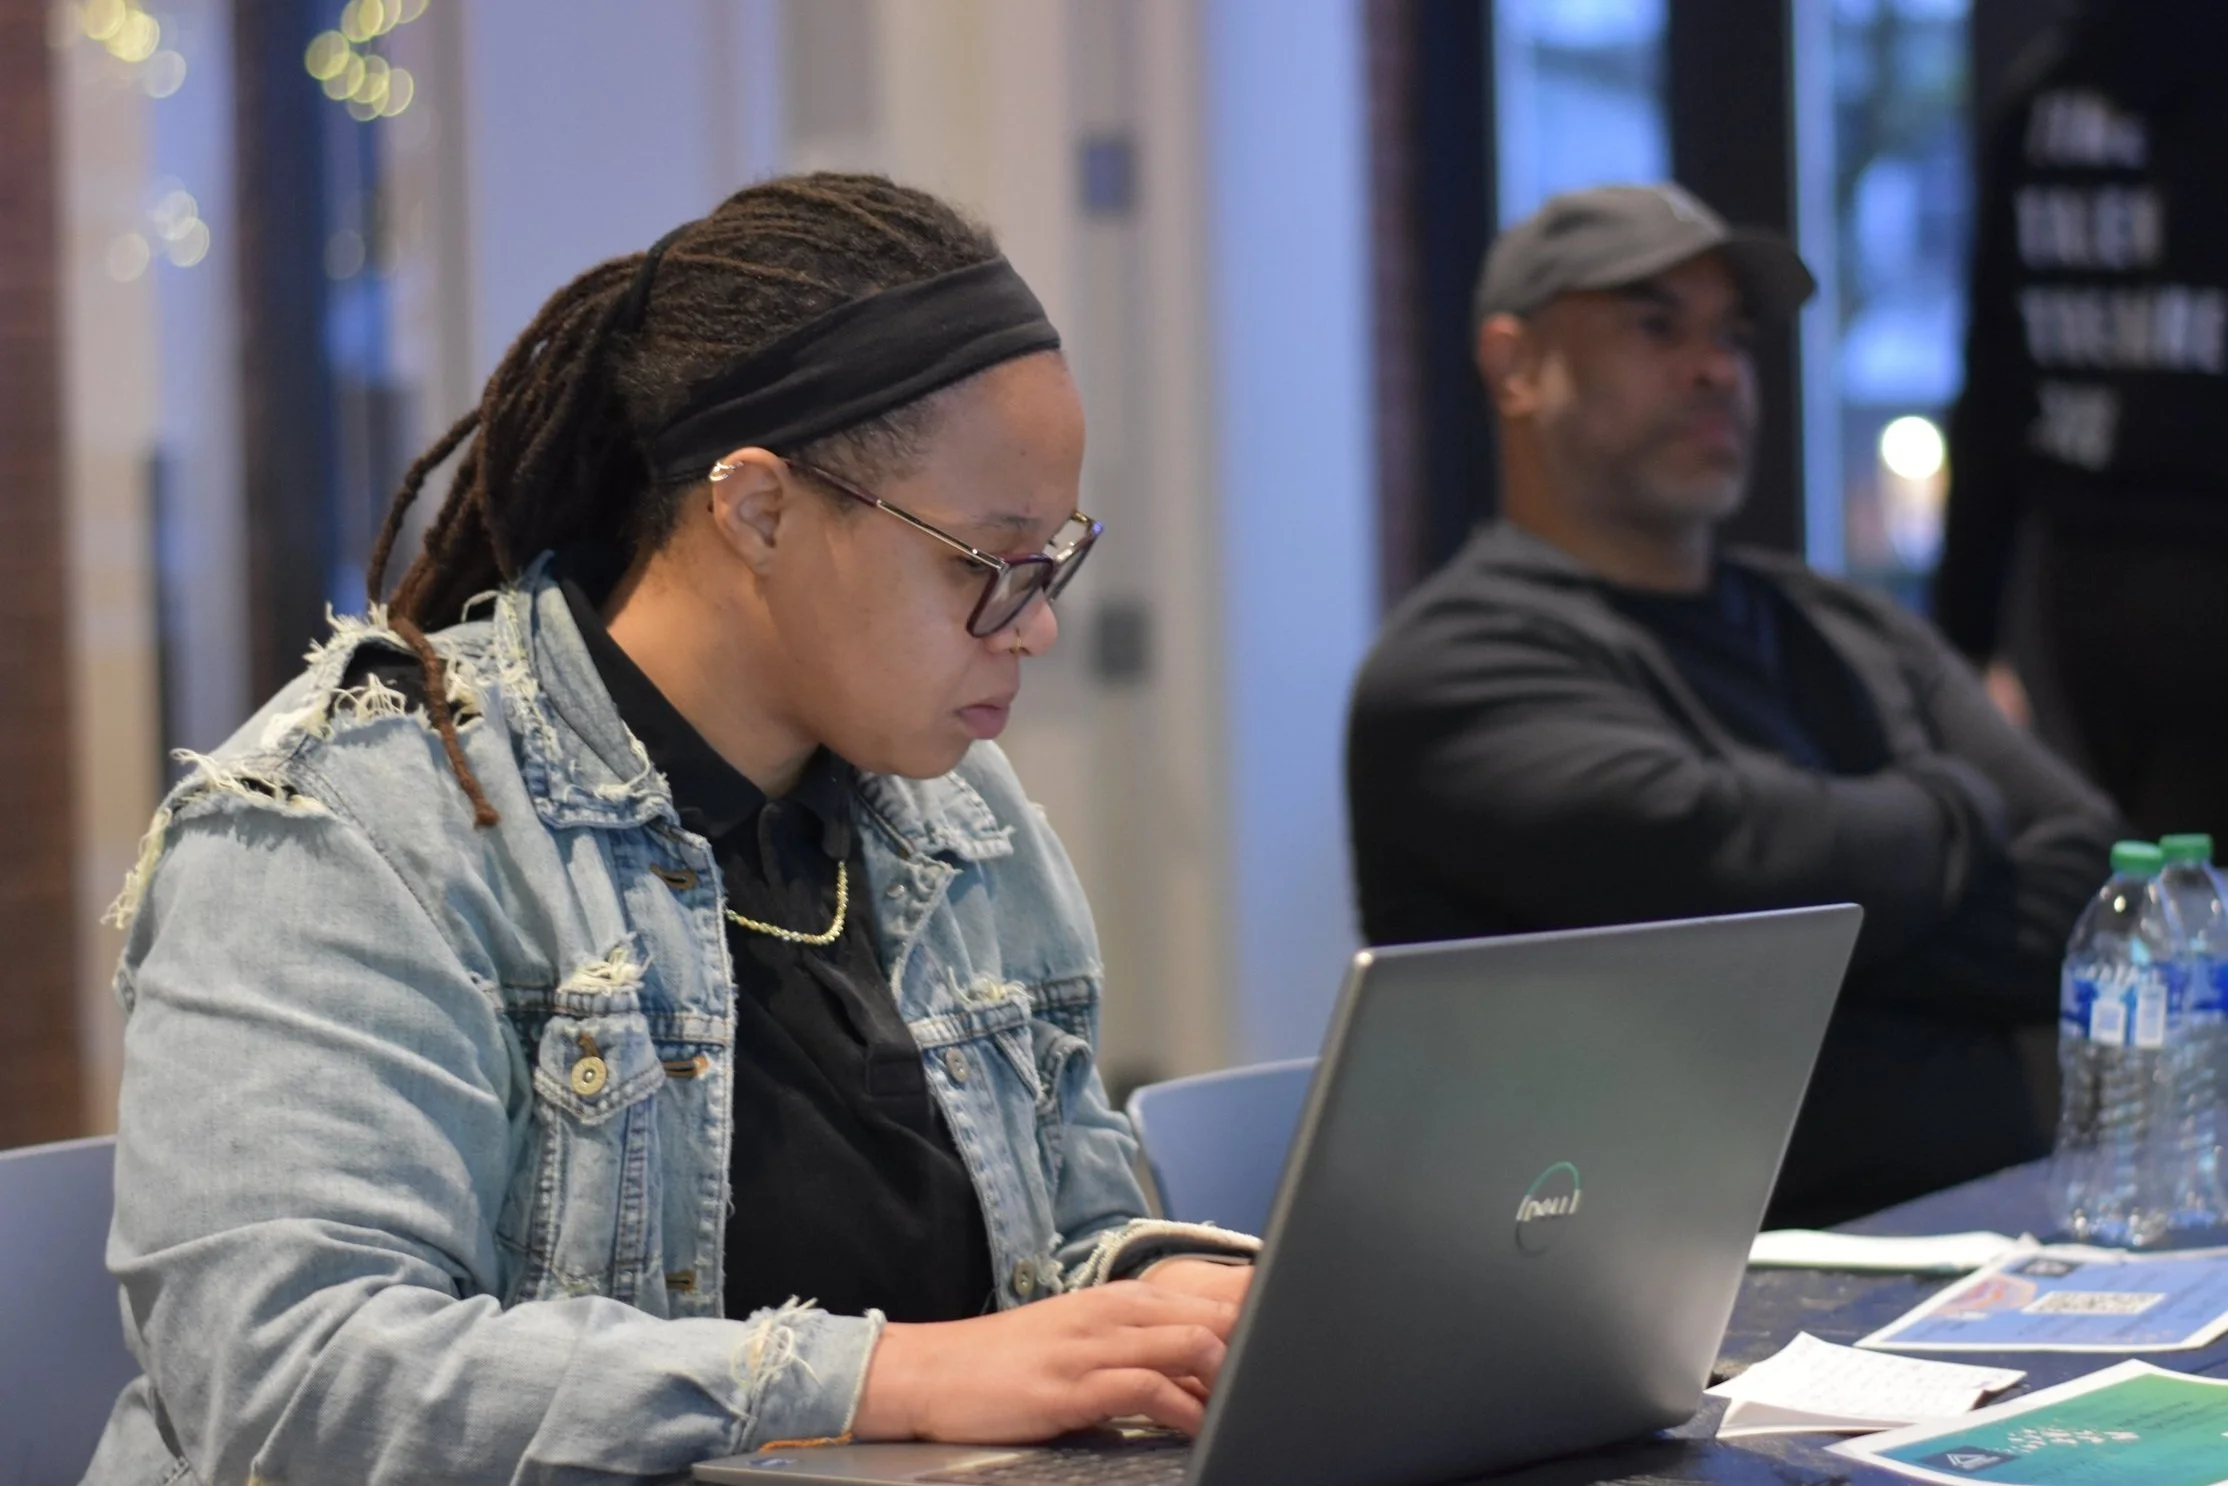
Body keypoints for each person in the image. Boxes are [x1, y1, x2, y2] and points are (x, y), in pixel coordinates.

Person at [86, 174, 1256, 1486]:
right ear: (756, 508)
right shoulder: (352, 820)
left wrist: (1180, 1300)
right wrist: (898, 1376)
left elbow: (1063, 1242)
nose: (1035, 623)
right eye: (987, 565)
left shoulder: (956, 811)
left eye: (1057, 558)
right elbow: (293, 1379)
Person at [1346, 184, 2119, 1228]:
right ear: (1513, 364)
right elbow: (1728, 873)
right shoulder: (1455, 670)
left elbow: (2094, 888)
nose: (1715, 370)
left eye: (1732, 336)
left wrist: (1820, 944)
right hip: (1664, 1323)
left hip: (1996, 1255)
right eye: (1654, 325)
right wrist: (1955, 805)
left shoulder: (1840, 619)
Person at [1934, 0, 2228, 840]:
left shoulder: (2043, 94)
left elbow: (1993, 371)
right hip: (2205, 550)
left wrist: (1963, 632)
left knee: (2143, 873)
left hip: (2077, 588)